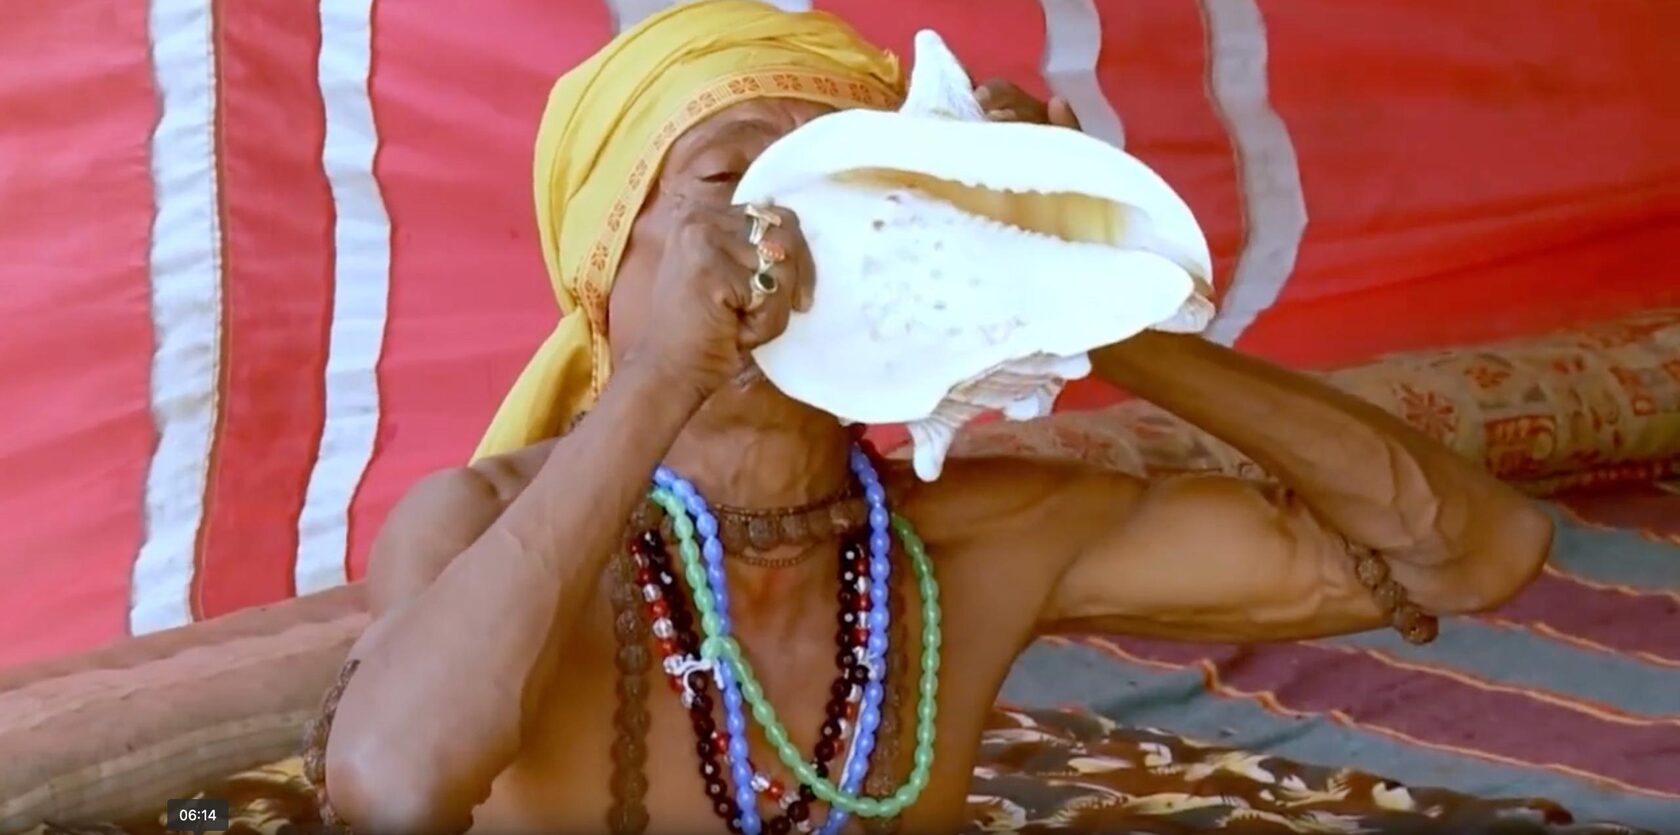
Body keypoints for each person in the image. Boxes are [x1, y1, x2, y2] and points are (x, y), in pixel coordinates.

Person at [315, 3, 1552, 833]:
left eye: (848, 190)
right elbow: (393, 786)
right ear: (604, 270)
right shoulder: (481, 525)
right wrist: (661, 378)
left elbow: (1469, 553)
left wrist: (1069, 273)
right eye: (727, 182)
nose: (789, 238)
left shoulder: (967, 540)